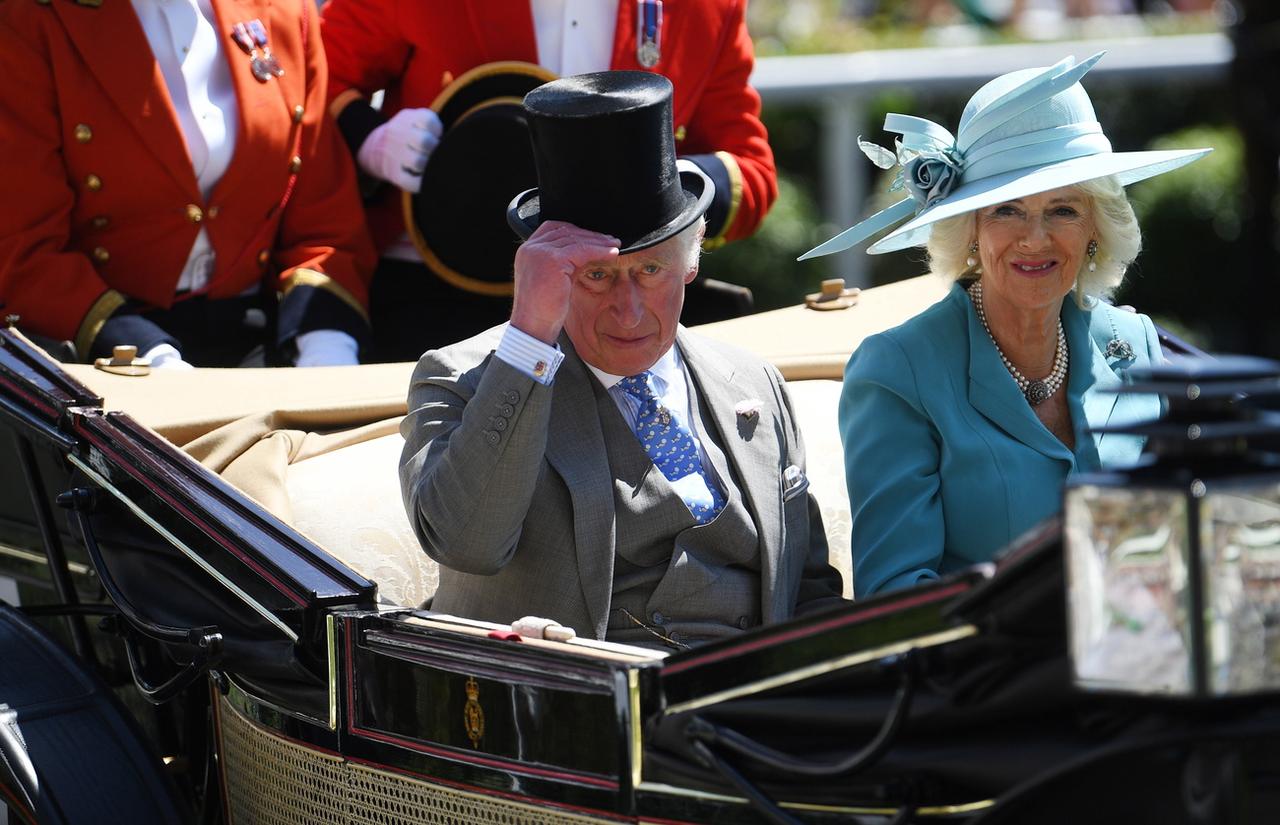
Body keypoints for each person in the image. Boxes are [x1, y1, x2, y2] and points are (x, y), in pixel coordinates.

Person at [399, 72, 841, 649]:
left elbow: (807, 590)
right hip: (573, 716)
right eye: (597, 276)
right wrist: (530, 333)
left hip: (752, 712)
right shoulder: (461, 379)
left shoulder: (752, 382)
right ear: (549, 276)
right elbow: (466, 543)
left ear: (691, 262)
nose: (628, 312)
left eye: (651, 271)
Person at [798, 53, 1209, 598]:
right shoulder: (897, 372)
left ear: (1095, 229)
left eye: (1063, 209)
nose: (1035, 238)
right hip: (988, 673)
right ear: (970, 230)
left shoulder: (1133, 344)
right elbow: (897, 596)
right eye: (1006, 210)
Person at [319, 0, 776, 361]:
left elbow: (751, 171)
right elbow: (316, 72)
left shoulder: (709, 6)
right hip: (436, 299)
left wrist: (658, 188)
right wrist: (369, 137)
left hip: (621, 309)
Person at [0, 0, 374, 368]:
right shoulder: (30, 16)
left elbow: (323, 222)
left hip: (262, 341)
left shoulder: (286, 10)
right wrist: (148, 355)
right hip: (94, 351)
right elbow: (22, 248)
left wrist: (326, 346)